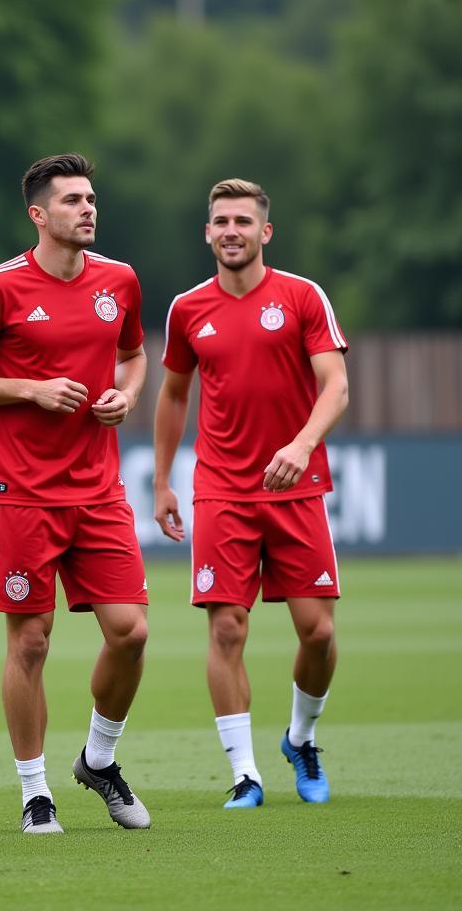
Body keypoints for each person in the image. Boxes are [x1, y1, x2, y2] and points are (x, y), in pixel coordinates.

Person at [0, 153, 151, 835]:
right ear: (39, 214)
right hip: (22, 491)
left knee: (131, 633)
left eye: (91, 198)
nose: (88, 209)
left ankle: (98, 759)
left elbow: (132, 352)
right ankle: (35, 793)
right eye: (72, 201)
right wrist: (28, 389)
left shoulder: (119, 280)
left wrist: (127, 392)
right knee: (30, 643)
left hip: (99, 489)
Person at [153, 178, 349, 809]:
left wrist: (299, 446)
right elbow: (175, 395)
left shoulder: (301, 297)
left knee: (317, 634)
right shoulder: (187, 309)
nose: (230, 230)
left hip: (297, 488)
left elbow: (336, 386)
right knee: (227, 629)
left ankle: (301, 738)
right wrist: (161, 481)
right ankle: (246, 774)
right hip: (221, 492)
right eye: (220, 221)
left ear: (266, 232)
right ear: (207, 233)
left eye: (243, 220)